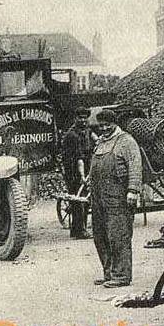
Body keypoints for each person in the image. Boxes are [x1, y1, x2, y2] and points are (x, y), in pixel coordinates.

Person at [88, 109, 142, 288]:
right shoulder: (101, 142)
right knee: (100, 235)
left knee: (118, 236)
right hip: (98, 196)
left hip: (118, 196)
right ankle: (109, 272)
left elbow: (135, 166)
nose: (103, 128)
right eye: (101, 125)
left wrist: (133, 190)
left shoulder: (126, 141)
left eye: (107, 125)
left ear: (115, 123)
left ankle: (121, 275)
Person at [61, 108, 93, 239]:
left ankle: (77, 230)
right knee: (79, 200)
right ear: (75, 118)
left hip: (84, 166)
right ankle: (80, 231)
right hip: (74, 170)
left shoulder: (86, 131)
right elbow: (79, 157)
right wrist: (82, 176)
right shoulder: (72, 135)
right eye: (80, 118)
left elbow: (95, 138)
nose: (83, 120)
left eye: (85, 118)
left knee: (82, 200)